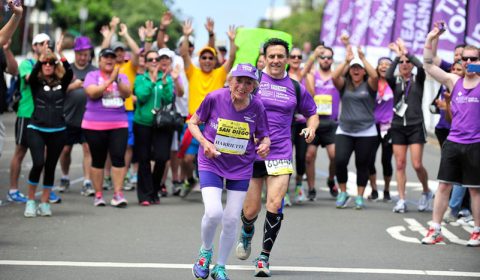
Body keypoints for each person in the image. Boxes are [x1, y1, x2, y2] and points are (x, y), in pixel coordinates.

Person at [235, 38, 318, 277]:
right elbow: (232, 102)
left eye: (280, 56)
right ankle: (247, 230)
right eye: (271, 56)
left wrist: (311, 128)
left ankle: (264, 257)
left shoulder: (295, 86)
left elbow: (312, 113)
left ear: (287, 58)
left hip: (281, 151)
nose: (275, 60)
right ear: (265, 57)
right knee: (251, 210)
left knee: (274, 204)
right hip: (251, 152)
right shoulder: (254, 81)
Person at [190, 63, 270, 280]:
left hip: (241, 166)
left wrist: (265, 144)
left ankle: (220, 266)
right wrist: (205, 142)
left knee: (232, 219)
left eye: (248, 83)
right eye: (239, 81)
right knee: (214, 212)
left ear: (254, 86)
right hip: (212, 162)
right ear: (230, 80)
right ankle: (205, 252)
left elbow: (264, 136)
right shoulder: (215, 98)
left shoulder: (257, 107)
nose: (243, 86)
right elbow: (193, 123)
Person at [421, 26, 480, 247]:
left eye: (473, 58)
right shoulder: (453, 81)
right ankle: (435, 229)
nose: (468, 62)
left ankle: (477, 231)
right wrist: (430, 38)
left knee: (475, 189)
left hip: (476, 144)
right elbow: (427, 65)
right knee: (444, 185)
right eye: (465, 59)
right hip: (454, 142)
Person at [178, 19, 237, 197]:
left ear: (215, 60)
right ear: (199, 60)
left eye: (211, 58)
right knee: (187, 159)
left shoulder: (220, 74)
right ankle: (189, 180)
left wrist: (232, 41)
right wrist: (187, 36)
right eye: (203, 57)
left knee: (218, 159)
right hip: (194, 123)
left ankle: (215, 188)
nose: (207, 60)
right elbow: (184, 55)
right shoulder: (192, 72)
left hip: (215, 125)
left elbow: (232, 57)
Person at [8, 33, 61, 204]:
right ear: (34, 46)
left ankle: (47, 190)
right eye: (39, 43)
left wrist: (56, 56)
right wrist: (42, 58)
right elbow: (30, 79)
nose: (43, 46)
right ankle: (13, 190)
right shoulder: (27, 64)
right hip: (27, 113)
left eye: (46, 43)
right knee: (20, 151)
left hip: (46, 117)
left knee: (46, 155)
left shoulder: (51, 65)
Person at [23, 37, 73, 217]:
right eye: (45, 62)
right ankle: (30, 201)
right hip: (36, 128)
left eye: (52, 63)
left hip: (58, 130)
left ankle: (44, 203)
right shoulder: (35, 82)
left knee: (51, 166)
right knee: (38, 163)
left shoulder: (62, 82)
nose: (48, 65)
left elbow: (69, 71)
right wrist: (42, 55)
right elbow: (35, 69)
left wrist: (59, 54)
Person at [386, 38, 433, 213]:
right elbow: (387, 75)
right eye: (402, 63)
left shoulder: (418, 79)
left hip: (415, 125)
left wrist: (407, 53)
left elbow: (422, 67)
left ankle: (426, 191)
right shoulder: (395, 81)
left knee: (417, 164)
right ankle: (402, 199)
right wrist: (398, 57)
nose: (405, 64)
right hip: (398, 125)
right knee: (399, 164)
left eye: (407, 62)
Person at [331, 45, 379, 209]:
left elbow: (375, 75)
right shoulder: (344, 85)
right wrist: (346, 61)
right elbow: (334, 76)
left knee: (362, 164)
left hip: (366, 132)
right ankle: (343, 193)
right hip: (344, 130)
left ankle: (359, 196)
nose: (356, 70)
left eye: (359, 68)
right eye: (354, 68)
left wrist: (362, 58)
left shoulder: (370, 85)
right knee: (340, 161)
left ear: (363, 71)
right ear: (350, 71)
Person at [82, 48, 131, 207]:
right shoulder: (92, 76)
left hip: (118, 123)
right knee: (98, 160)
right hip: (94, 124)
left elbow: (127, 94)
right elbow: (92, 93)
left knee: (118, 158)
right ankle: (98, 194)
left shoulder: (122, 76)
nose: (109, 60)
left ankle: (118, 194)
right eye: (106, 57)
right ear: (99, 60)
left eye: (112, 58)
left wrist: (117, 80)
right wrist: (110, 81)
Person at [133, 49, 177, 205]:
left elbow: (167, 99)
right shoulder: (140, 78)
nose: (153, 61)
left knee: (162, 157)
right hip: (143, 123)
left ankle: (154, 188)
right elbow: (142, 97)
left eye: (156, 59)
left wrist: (164, 83)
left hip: (161, 124)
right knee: (143, 159)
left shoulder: (166, 79)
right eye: (150, 59)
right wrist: (152, 81)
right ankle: (145, 195)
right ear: (145, 62)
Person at [58, 36, 97, 196]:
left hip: (88, 118)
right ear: (75, 53)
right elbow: (58, 89)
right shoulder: (67, 69)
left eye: (86, 54)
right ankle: (65, 177)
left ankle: (87, 182)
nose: (83, 57)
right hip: (68, 117)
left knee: (88, 149)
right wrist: (73, 86)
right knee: (65, 150)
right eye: (80, 53)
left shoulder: (94, 71)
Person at [304, 45, 340, 201]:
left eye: (329, 57)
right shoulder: (313, 75)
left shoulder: (336, 77)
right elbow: (307, 86)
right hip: (315, 122)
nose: (326, 60)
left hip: (331, 123)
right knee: (309, 156)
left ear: (333, 60)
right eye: (323, 57)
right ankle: (311, 188)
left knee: (335, 156)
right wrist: (313, 56)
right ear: (318, 59)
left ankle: (331, 179)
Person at [287, 46, 321, 204]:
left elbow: (312, 94)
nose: (295, 59)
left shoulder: (307, 75)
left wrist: (307, 76)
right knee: (286, 156)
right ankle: (284, 190)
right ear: (287, 59)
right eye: (292, 56)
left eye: (299, 57)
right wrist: (314, 56)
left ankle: (299, 186)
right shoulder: (285, 75)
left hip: (302, 122)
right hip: (288, 123)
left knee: (301, 157)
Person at [367, 57, 394, 201]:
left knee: (386, 160)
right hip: (371, 125)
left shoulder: (395, 83)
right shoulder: (372, 83)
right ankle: (374, 189)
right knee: (370, 160)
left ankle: (387, 190)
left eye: (387, 65)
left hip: (389, 127)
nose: (384, 67)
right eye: (381, 64)